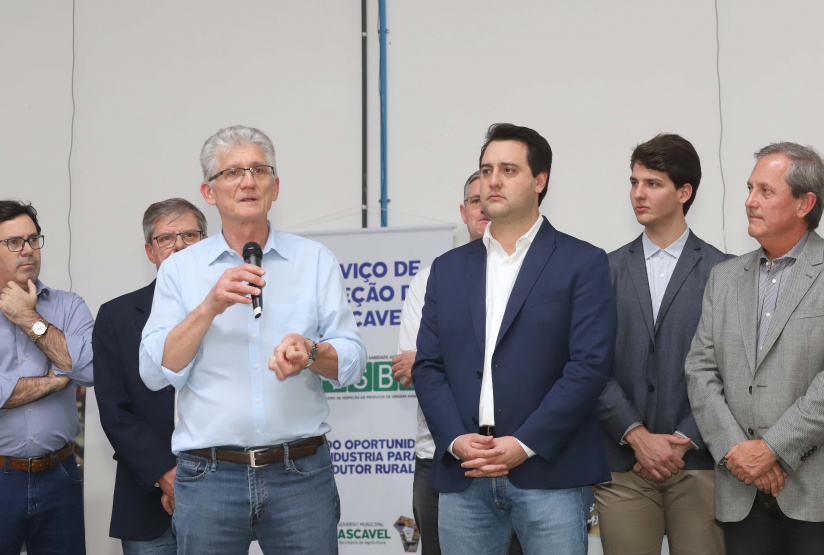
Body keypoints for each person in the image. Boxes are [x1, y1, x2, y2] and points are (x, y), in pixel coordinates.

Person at [139, 125, 367, 555]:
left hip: (300, 473)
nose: (247, 181)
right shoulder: (180, 270)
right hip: (209, 477)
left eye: (259, 170)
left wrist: (311, 352)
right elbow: (154, 372)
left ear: (275, 186)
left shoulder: (314, 260)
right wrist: (208, 307)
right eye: (233, 173)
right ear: (209, 192)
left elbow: (353, 361)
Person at [412, 123, 616, 555]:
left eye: (508, 169)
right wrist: (453, 439)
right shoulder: (447, 270)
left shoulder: (582, 262)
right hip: (465, 473)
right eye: (486, 170)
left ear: (539, 181)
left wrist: (523, 444)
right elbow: (428, 366)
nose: (493, 181)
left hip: (549, 473)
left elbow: (588, 367)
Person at [685, 142, 824, 553]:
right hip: (741, 488)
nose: (750, 202)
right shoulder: (724, 277)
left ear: (803, 203)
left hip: (823, 493)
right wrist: (737, 453)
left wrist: (773, 450)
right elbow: (700, 371)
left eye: (765, 191)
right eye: (749, 188)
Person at [595, 133, 727, 554]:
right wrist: (636, 435)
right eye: (634, 182)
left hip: (701, 462)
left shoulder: (725, 272)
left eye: (652, 183)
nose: (638, 194)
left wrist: (684, 439)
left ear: (684, 192)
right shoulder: (603, 270)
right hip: (623, 466)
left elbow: (734, 369)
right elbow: (589, 365)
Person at [394, 171, 522, 555]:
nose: (483, 207)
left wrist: (445, 356)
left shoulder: (532, 275)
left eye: (490, 198)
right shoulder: (430, 278)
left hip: (518, 456)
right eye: (474, 200)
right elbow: (410, 368)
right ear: (463, 211)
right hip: (441, 457)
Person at [94, 198, 208, 553]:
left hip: (220, 491)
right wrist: (168, 476)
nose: (179, 246)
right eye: (166, 238)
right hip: (146, 493)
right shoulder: (116, 316)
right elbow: (115, 411)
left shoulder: (231, 307)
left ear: (207, 242)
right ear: (150, 251)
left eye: (190, 235)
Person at [0, 199, 95, 554]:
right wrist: (57, 379)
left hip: (61, 474)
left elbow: (88, 370)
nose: (27, 250)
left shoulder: (69, 306)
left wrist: (29, 319)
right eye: (14, 242)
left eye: (33, 239)